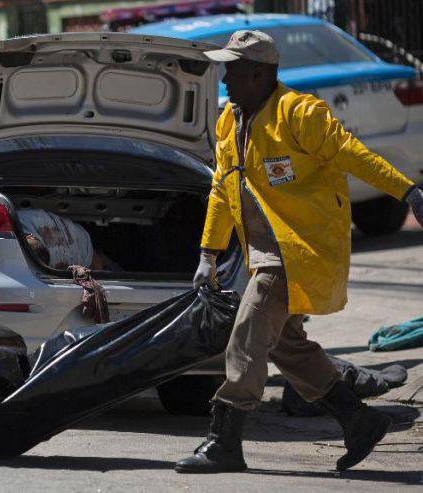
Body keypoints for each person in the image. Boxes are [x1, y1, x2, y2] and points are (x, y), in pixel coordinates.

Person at [177, 30, 423, 474]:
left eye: (232, 69)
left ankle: (223, 441)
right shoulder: (229, 120)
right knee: (287, 346)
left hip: (301, 250)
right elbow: (221, 189)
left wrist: (407, 192)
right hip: (266, 253)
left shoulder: (298, 112)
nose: (225, 78)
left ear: (259, 73)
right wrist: (208, 254)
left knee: (248, 335)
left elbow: (350, 153)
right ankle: (359, 419)